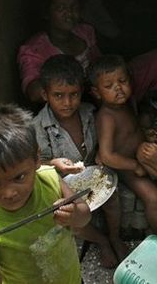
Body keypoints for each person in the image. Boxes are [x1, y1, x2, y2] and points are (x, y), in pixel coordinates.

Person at [0, 106, 90, 284]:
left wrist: (74, 214)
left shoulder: (50, 179)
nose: (9, 193)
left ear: (36, 160)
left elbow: (84, 216)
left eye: (19, 177)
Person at [32, 54, 128, 268]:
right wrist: (53, 164)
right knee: (69, 218)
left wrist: (103, 154)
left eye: (73, 95)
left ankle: (114, 236)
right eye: (58, 96)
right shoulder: (39, 126)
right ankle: (100, 240)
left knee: (113, 198)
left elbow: (103, 142)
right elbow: (35, 165)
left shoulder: (90, 113)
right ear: (44, 94)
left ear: (81, 92)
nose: (67, 103)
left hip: (93, 176)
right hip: (62, 184)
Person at [18, 0, 157, 104]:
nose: (69, 13)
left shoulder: (84, 31)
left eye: (74, 8)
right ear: (47, 12)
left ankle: (150, 104)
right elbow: (33, 92)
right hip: (76, 104)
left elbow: (103, 62)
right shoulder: (34, 49)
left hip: (108, 89)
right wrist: (73, 87)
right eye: (61, 8)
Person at [90, 55, 157, 244]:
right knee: (152, 197)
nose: (118, 88)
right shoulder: (106, 117)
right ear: (96, 92)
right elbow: (106, 156)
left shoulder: (125, 103)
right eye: (109, 86)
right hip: (125, 167)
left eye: (122, 81)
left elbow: (130, 131)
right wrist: (134, 166)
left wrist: (146, 133)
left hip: (139, 155)